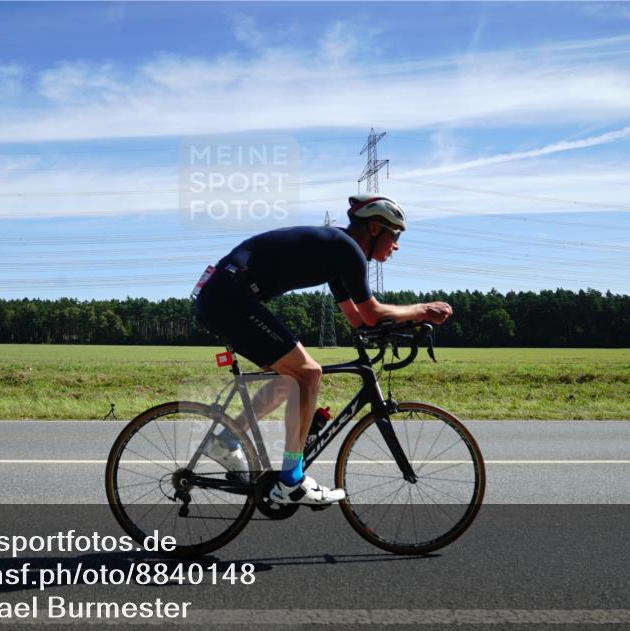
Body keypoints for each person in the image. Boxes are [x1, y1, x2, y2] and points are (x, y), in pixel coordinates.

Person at [193, 193, 453, 505]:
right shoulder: (347, 251)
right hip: (229, 297)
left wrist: (400, 329)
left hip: (225, 296)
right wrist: (422, 309)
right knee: (309, 373)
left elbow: (358, 321)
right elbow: (371, 313)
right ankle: (291, 480)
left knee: (287, 380)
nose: (396, 245)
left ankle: (226, 441)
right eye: (395, 236)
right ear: (374, 229)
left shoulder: (338, 254)